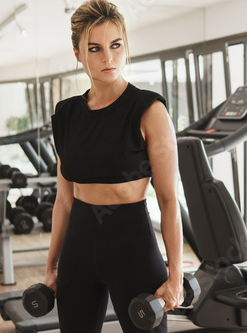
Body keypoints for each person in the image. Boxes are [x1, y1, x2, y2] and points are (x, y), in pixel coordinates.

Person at [45, 1, 184, 332]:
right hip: (78, 247)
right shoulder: (66, 115)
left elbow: (168, 200)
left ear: (125, 46)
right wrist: (51, 266)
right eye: (95, 49)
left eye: (116, 45)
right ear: (78, 53)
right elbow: (64, 200)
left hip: (132, 246)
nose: (108, 57)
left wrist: (176, 274)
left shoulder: (149, 109)